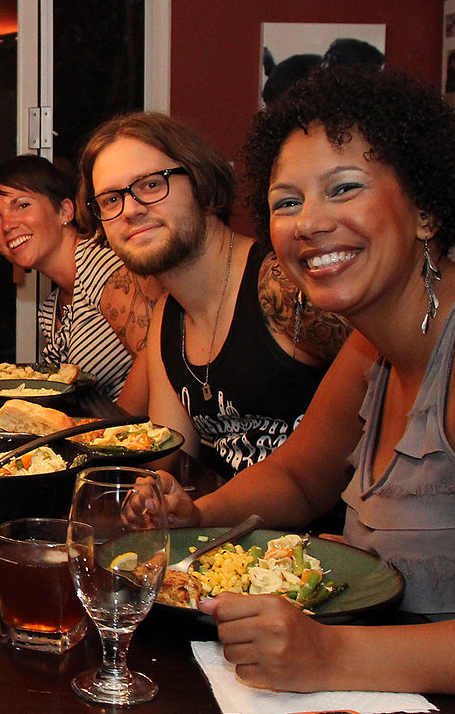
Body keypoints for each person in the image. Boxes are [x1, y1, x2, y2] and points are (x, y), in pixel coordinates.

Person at [145, 65, 455, 701]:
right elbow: (299, 478)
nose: (308, 223)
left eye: (343, 188)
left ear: (425, 209)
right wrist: (197, 516)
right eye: (287, 202)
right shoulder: (372, 344)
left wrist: (335, 655)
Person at [78, 112, 349, 476]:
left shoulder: (281, 285)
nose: (130, 210)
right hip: (223, 512)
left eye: (151, 185)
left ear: (201, 182)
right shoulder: (167, 322)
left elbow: (406, 393)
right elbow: (169, 466)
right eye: (111, 200)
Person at [0, 154, 158, 410]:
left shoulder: (103, 267)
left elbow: (158, 356)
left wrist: (117, 428)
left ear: (65, 210)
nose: (7, 225)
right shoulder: (51, 308)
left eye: (22, 205)